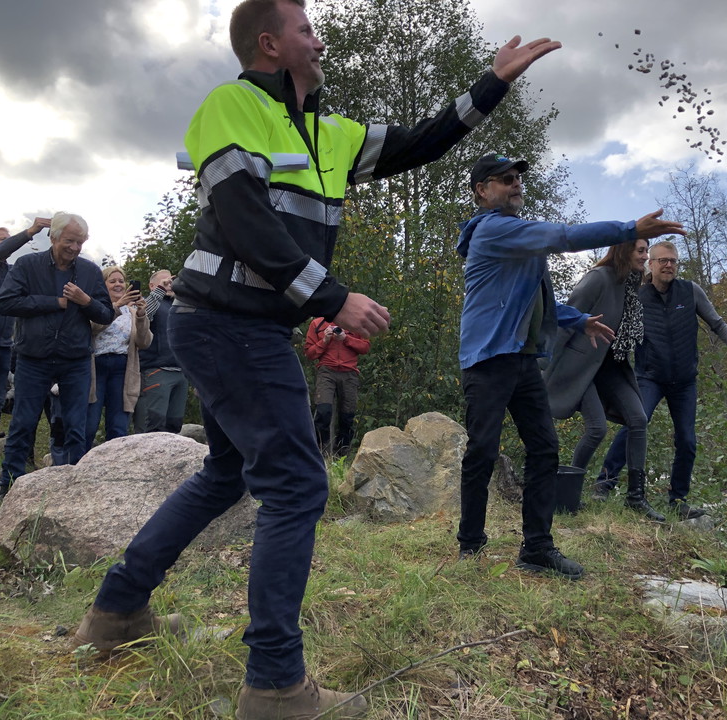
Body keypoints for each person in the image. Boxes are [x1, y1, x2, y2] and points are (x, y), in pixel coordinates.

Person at [74, 2, 561, 718]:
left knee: (226, 471)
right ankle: (275, 685)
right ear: (269, 44)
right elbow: (245, 221)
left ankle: (116, 613)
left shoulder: (331, 134)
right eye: (306, 28)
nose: (320, 38)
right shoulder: (229, 106)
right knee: (299, 485)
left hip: (246, 330)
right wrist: (332, 297)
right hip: (224, 323)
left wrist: (491, 84)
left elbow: (421, 141)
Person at [456, 152, 685, 579]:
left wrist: (577, 320)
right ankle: (471, 547)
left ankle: (537, 548)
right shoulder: (493, 229)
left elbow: (535, 297)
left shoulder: (518, 240)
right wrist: (630, 229)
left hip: (522, 359)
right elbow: (563, 236)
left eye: (516, 178)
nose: (514, 184)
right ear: (482, 192)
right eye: (504, 180)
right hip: (487, 359)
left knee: (544, 448)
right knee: (482, 451)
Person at [596, 240, 727, 518]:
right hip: (649, 377)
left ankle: (678, 501)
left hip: (684, 381)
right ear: (651, 264)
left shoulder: (690, 291)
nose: (668, 265)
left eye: (673, 261)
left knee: (687, 440)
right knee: (636, 424)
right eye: (662, 260)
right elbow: (613, 327)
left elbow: (717, 322)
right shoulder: (637, 295)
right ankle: (604, 484)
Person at [543, 239, 666, 521]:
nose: (646, 256)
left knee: (638, 420)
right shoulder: (597, 279)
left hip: (613, 365)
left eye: (647, 251)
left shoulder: (633, 284)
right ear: (623, 251)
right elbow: (562, 318)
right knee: (596, 429)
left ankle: (636, 497)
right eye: (641, 251)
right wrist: (544, 363)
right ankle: (567, 493)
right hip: (583, 363)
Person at [0, 212, 114, 496]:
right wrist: (54, 302)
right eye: (70, 241)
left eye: (80, 243)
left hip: (76, 360)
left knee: (76, 427)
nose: (75, 248)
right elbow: (5, 302)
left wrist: (85, 301)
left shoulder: (90, 271)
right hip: (32, 358)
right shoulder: (27, 264)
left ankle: (73, 491)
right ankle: (9, 488)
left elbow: (107, 313)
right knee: (23, 424)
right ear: (54, 237)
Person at [0, 217, 50, 472]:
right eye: (3, 239)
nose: (7, 242)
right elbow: (3, 250)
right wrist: (29, 232)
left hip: (4, 344)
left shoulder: (11, 272)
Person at [85, 266, 152, 453]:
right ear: (103, 285)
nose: (118, 284)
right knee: (89, 423)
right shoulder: (95, 306)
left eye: (121, 281)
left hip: (122, 368)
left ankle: (113, 468)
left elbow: (144, 342)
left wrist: (140, 316)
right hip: (96, 367)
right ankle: (79, 466)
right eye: (112, 281)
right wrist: (116, 305)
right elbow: (92, 328)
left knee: (118, 426)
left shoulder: (131, 311)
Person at [304, 317, 369, 457]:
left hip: (349, 372)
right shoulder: (317, 323)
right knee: (323, 411)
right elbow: (309, 353)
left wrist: (346, 338)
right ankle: (321, 452)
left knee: (347, 416)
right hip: (326, 370)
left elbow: (365, 347)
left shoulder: (354, 321)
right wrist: (325, 341)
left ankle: (342, 454)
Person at [134, 269, 188, 434]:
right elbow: (144, 316)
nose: (169, 284)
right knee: (152, 426)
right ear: (152, 286)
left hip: (181, 372)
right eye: (164, 281)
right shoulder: (147, 302)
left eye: (170, 281)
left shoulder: (180, 304)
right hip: (157, 370)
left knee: (174, 426)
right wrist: (160, 290)